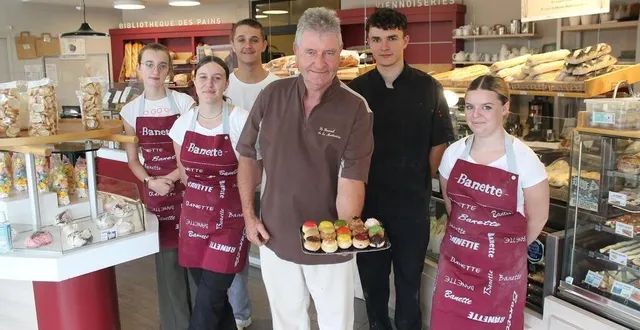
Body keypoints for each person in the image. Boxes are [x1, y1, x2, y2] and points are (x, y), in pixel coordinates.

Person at [236, 7, 374, 330]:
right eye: (311, 51)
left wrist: (344, 232)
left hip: (329, 245)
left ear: (340, 53)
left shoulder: (356, 109)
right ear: (296, 51)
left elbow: (352, 182)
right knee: (287, 323)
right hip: (275, 236)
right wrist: (248, 215)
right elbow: (248, 155)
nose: (319, 63)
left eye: (329, 52)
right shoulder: (272, 95)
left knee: (335, 324)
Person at [347, 8, 455, 330]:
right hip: (369, 205)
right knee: (373, 285)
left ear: (405, 40)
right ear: (368, 42)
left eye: (392, 38)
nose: (384, 47)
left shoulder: (429, 87)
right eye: (377, 39)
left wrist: (422, 175)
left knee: (409, 286)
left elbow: (440, 141)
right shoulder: (355, 91)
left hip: (412, 205)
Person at [430, 75, 549, 330]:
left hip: (501, 273)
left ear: (505, 108)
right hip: (457, 267)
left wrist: (507, 249)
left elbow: (539, 217)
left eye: (486, 107)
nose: (476, 115)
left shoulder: (524, 160)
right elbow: (451, 206)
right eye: (470, 107)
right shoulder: (453, 154)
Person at [169, 56, 250, 330]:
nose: (209, 83)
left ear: (226, 84)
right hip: (193, 221)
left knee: (207, 299)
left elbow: (254, 172)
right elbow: (184, 172)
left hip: (230, 221)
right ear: (194, 83)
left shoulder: (241, 120)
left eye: (217, 78)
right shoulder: (183, 124)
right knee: (213, 297)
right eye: (203, 77)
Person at [121, 42, 197, 330]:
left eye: (162, 65)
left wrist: (172, 178)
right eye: (149, 64)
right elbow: (133, 159)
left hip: (187, 190)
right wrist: (151, 181)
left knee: (198, 264)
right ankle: (177, 325)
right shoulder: (130, 111)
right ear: (138, 68)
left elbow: (191, 152)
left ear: (169, 70)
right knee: (168, 268)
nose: (156, 70)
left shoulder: (183, 103)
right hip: (157, 196)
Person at [224, 18, 279, 330]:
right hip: (231, 183)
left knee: (273, 249)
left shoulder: (277, 86)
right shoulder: (222, 83)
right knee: (236, 256)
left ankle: (282, 313)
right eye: (242, 39)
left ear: (264, 45)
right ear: (233, 44)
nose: (248, 45)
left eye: (254, 40)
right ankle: (240, 315)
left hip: (271, 182)